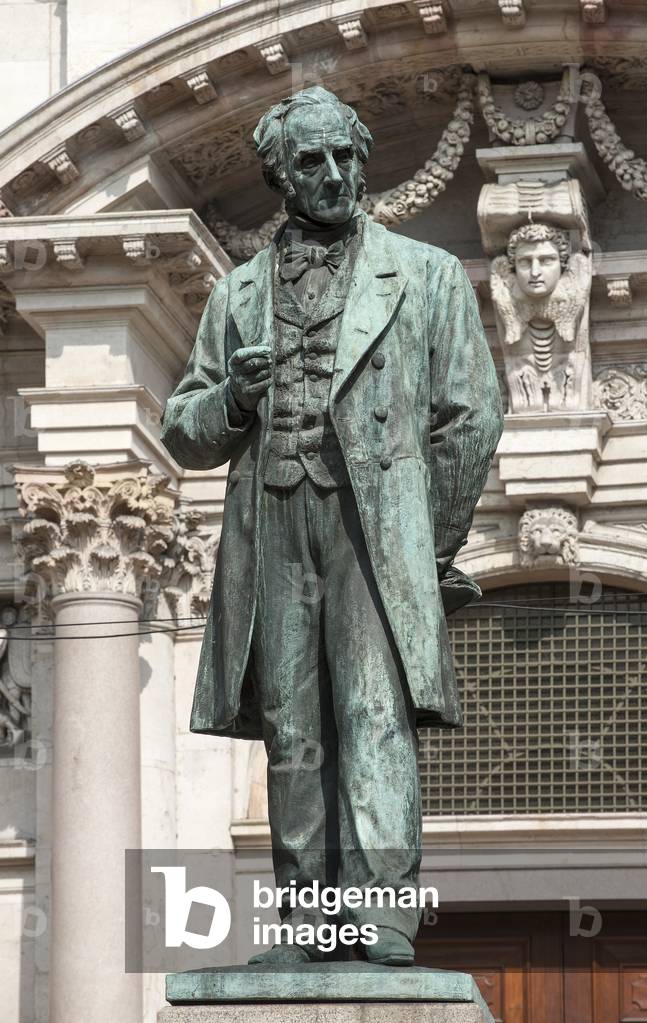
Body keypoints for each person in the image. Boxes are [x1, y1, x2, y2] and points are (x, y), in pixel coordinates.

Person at [161, 86, 504, 967]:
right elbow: (183, 427)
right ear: (278, 173)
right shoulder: (236, 292)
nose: (335, 174)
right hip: (274, 520)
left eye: (347, 156)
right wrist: (235, 395)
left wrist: (424, 547)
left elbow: (470, 415)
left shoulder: (424, 272)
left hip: (375, 527)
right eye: (311, 161)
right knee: (292, 725)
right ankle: (312, 923)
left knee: (370, 709)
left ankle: (381, 911)